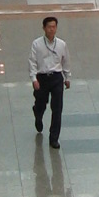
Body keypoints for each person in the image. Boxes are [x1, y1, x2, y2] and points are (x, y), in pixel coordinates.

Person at [28, 14, 71, 148]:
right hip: (42, 77)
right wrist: (34, 78)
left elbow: (66, 61)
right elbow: (32, 62)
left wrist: (67, 77)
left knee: (57, 108)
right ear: (44, 28)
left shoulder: (62, 44)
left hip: (57, 77)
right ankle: (38, 114)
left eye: (54, 27)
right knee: (41, 103)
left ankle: (54, 138)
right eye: (49, 27)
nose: (51, 29)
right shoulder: (37, 44)